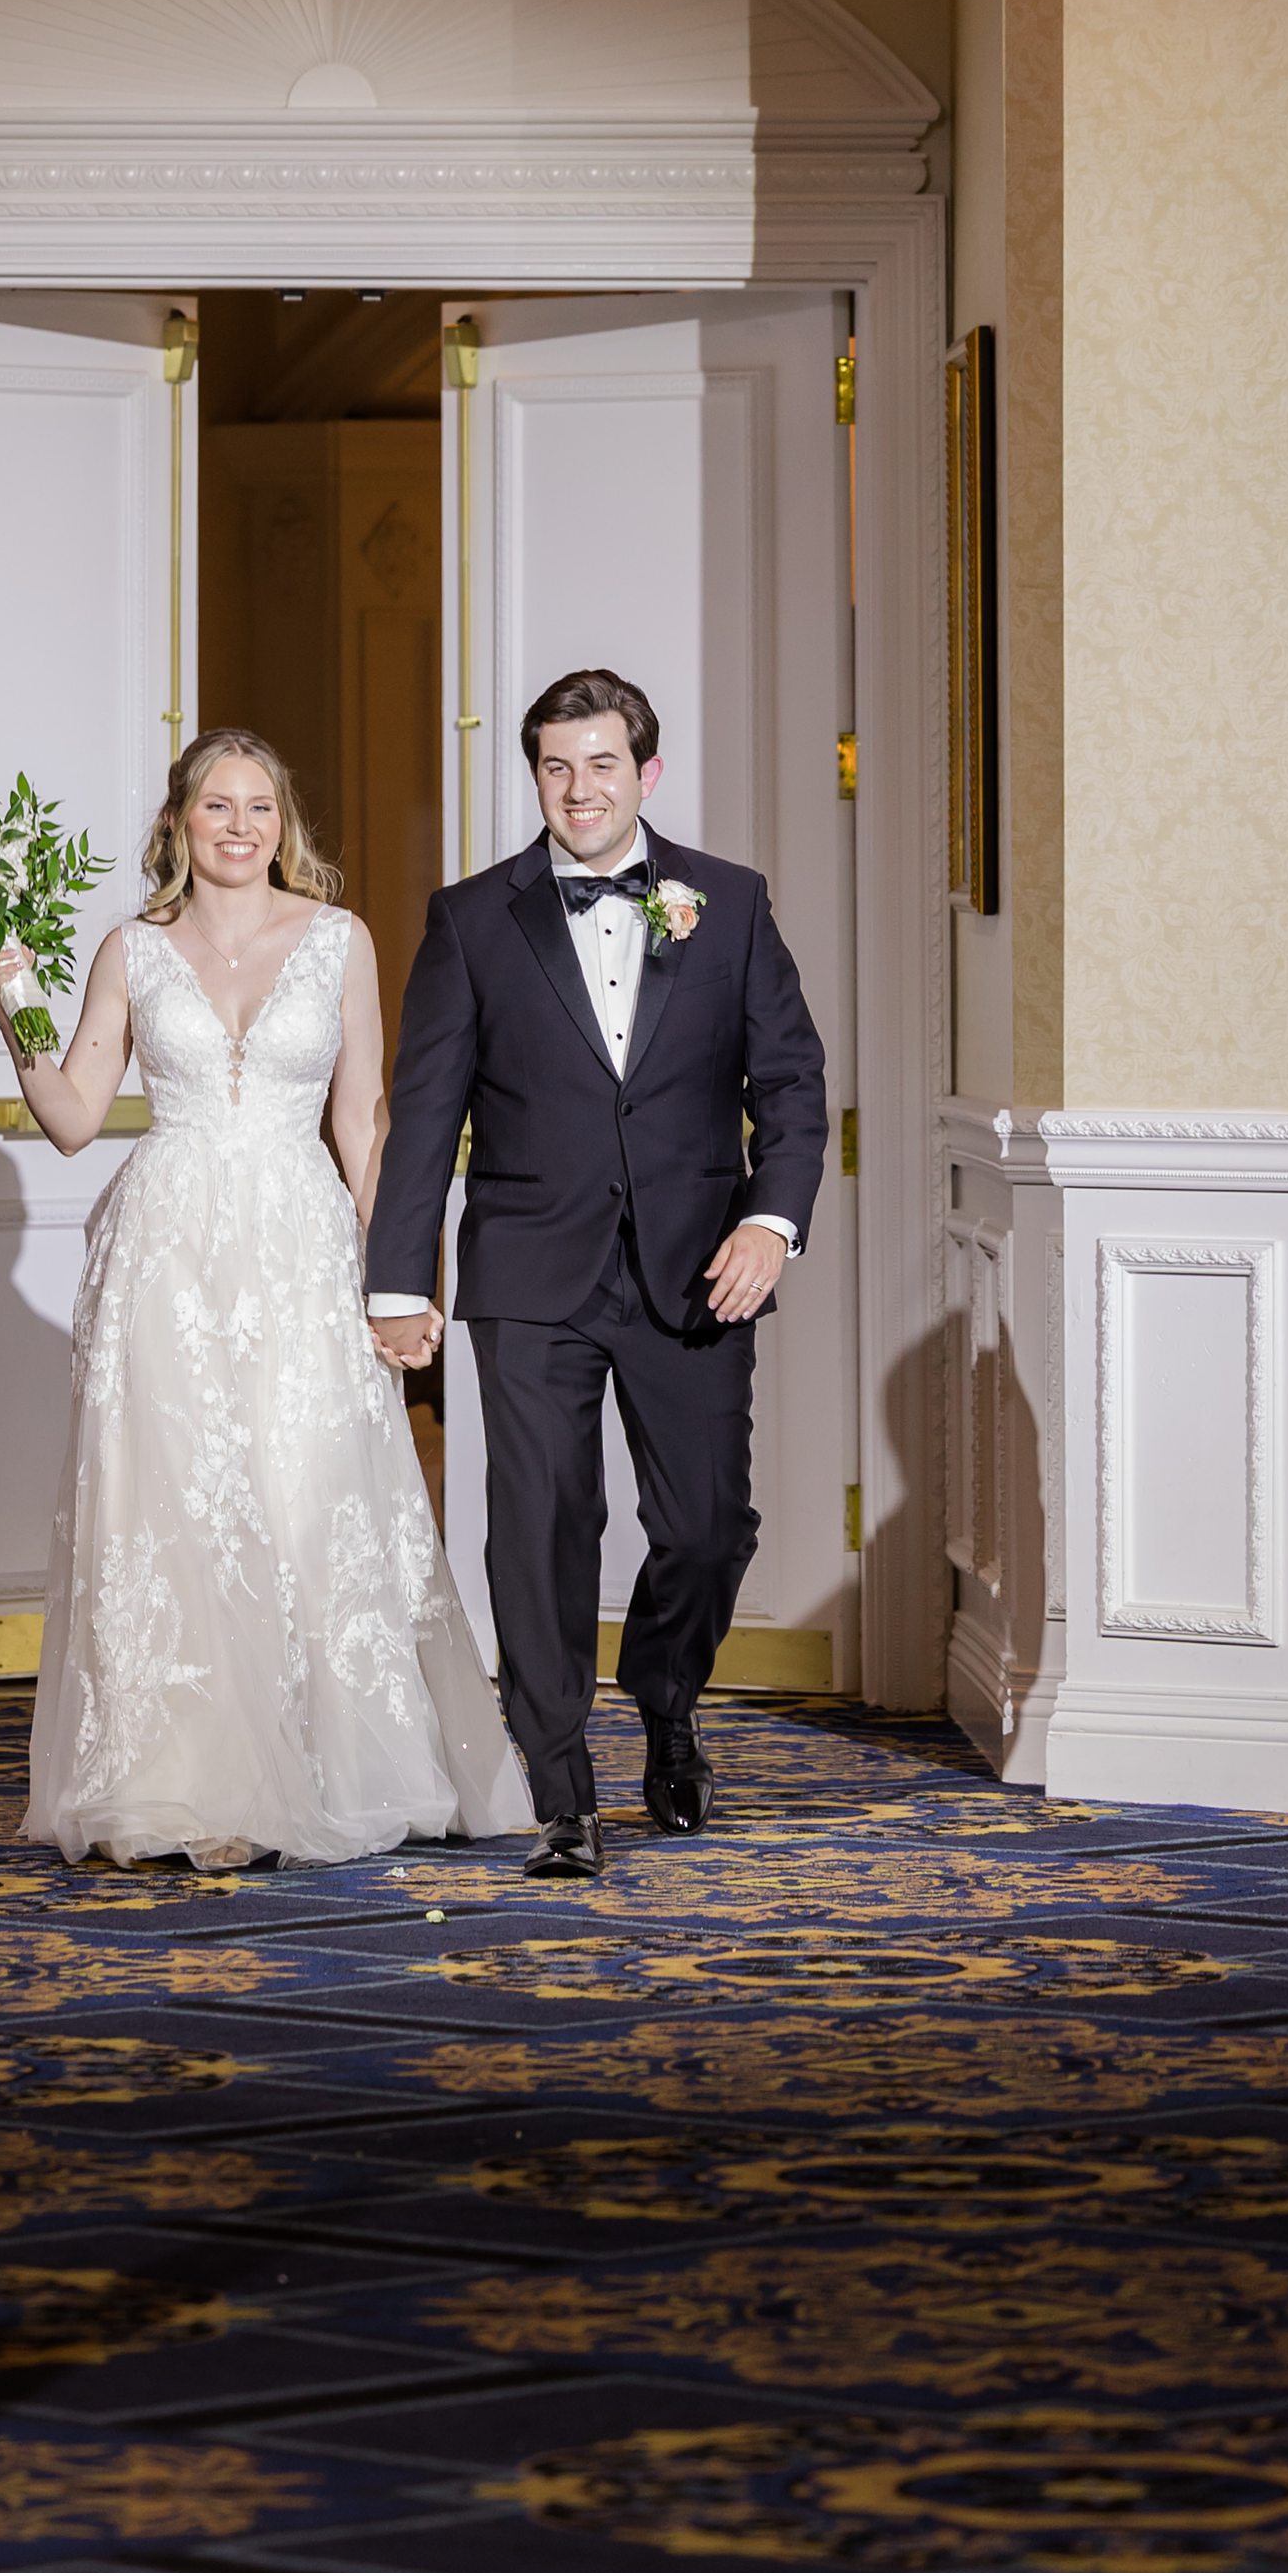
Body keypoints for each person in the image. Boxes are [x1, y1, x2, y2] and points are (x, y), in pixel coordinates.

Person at [0, 729, 530, 1871]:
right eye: (216, 806)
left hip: (300, 1247)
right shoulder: (131, 948)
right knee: (174, 1508)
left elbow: (364, 1124)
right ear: (178, 822)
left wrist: (398, 1282)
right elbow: (76, 1118)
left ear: (286, 824)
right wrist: (13, 1009)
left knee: (306, 1490)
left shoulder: (337, 941)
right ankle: (184, 1783)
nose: (239, 826)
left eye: (260, 807)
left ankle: (340, 1764)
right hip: (165, 1257)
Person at [363, 670, 828, 1879]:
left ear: (648, 773)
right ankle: (561, 1788)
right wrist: (397, 1282)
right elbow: (424, 1116)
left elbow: (789, 1086)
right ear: (536, 779)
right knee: (540, 1529)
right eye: (557, 768)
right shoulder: (472, 920)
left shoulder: (726, 904)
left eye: (602, 765)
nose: (579, 790)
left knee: (708, 1526)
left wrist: (771, 1223)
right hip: (528, 1273)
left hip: (697, 1271)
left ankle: (666, 1701)